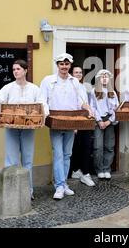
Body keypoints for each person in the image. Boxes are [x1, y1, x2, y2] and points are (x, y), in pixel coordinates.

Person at [0, 60, 48, 200]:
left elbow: (43, 104)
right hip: (11, 127)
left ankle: (28, 191)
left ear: (25, 70)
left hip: (28, 128)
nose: (15, 71)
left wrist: (44, 115)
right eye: (14, 69)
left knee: (28, 160)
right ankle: (11, 192)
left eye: (18, 69)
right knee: (11, 160)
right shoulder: (8, 88)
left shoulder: (34, 89)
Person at [40, 53, 94, 200]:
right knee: (58, 154)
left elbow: (80, 101)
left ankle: (64, 184)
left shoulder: (74, 82)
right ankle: (59, 186)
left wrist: (87, 107)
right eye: (61, 64)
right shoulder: (48, 81)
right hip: (55, 122)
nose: (64, 66)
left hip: (71, 122)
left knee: (67, 155)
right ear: (57, 65)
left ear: (70, 65)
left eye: (66, 64)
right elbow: (42, 100)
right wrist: (46, 113)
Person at [69, 66, 96, 187]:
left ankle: (85, 173)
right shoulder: (69, 86)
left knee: (86, 146)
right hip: (74, 120)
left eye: (80, 72)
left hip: (85, 119)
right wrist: (73, 125)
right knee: (75, 148)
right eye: (76, 72)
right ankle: (75, 171)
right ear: (72, 74)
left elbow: (86, 103)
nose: (78, 74)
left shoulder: (84, 86)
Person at [90, 69, 119, 180]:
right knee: (98, 146)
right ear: (98, 79)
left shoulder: (113, 93)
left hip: (109, 121)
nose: (105, 78)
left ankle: (107, 169)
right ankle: (99, 169)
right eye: (102, 77)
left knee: (109, 146)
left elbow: (116, 109)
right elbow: (93, 107)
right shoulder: (94, 91)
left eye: (106, 77)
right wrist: (99, 121)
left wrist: (109, 121)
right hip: (98, 120)